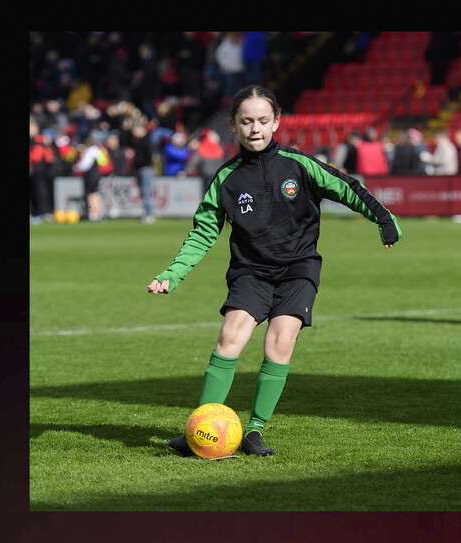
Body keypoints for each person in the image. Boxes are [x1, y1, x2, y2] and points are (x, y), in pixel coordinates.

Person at [147, 85, 402, 457]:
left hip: (298, 269)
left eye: (263, 121)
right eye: (247, 122)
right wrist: (173, 273)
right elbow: (202, 233)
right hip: (251, 271)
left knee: (279, 342)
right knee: (230, 337)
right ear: (232, 126)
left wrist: (384, 219)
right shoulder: (226, 179)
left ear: (276, 122)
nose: (256, 129)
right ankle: (199, 428)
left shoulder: (299, 165)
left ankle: (253, 431)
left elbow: (348, 188)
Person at [73, 136, 109, 222]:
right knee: (96, 194)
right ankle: (98, 213)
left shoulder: (90, 151)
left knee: (90, 195)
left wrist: (76, 167)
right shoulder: (99, 150)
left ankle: (92, 212)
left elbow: (84, 165)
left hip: (91, 176)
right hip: (97, 174)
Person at [129, 123, 156, 224]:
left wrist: (144, 165)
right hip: (140, 168)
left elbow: (148, 155)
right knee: (143, 192)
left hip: (145, 169)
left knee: (146, 191)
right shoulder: (138, 141)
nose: (134, 133)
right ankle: (146, 213)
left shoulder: (146, 140)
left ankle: (149, 214)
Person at [185, 128, 226, 192]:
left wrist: (187, 172)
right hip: (218, 173)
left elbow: (194, 161)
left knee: (207, 193)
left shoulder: (202, 147)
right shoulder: (219, 147)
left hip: (206, 174)